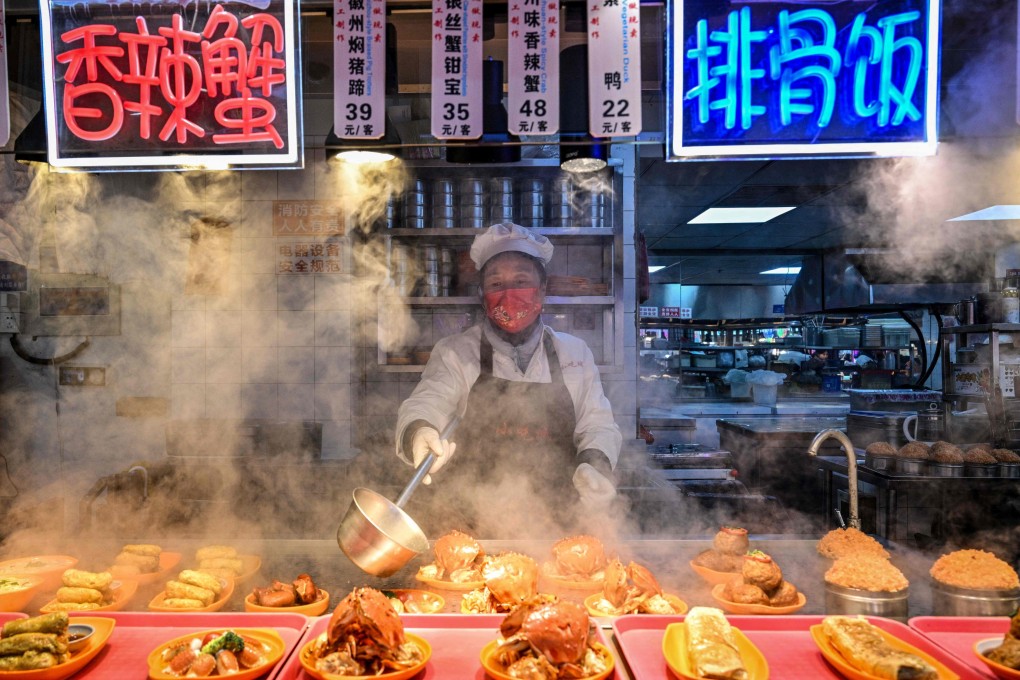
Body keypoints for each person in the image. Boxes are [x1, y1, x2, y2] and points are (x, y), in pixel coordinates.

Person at [394, 223, 622, 536]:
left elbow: (597, 424)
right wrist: (419, 431)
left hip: (558, 528)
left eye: (521, 281)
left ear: (542, 291)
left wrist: (595, 464)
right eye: (496, 283)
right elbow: (427, 401)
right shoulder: (456, 352)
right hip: (472, 529)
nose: (509, 294)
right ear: (482, 294)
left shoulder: (574, 353)